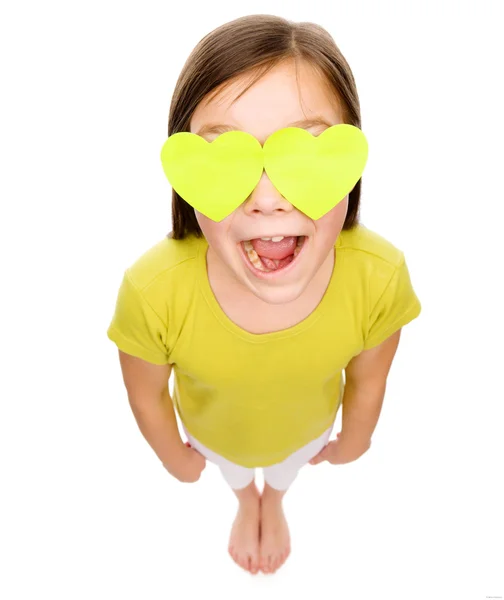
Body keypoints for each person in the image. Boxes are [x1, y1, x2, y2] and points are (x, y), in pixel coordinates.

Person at [106, 14, 422, 576]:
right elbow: (146, 394)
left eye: (304, 155)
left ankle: (272, 498)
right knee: (234, 472)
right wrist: (175, 456)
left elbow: (370, 376)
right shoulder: (152, 292)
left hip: (307, 433)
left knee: (284, 471)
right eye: (228, 160)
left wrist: (356, 436)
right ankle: (242, 498)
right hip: (211, 437)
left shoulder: (378, 276)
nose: (269, 199)